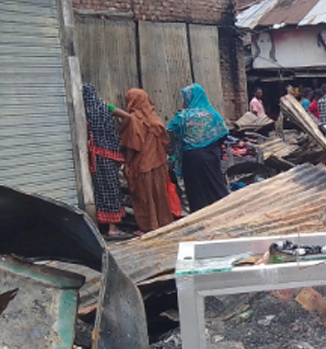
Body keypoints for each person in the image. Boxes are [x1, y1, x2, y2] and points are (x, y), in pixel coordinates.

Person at [167, 84, 230, 212]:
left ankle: (201, 215)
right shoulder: (212, 113)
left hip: (192, 158)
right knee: (215, 184)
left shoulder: (183, 116)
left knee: (196, 190)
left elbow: (170, 131)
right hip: (212, 155)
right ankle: (223, 210)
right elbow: (223, 133)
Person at [118, 88, 174, 232]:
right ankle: (163, 223)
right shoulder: (154, 118)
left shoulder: (134, 120)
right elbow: (165, 141)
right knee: (160, 195)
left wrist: (127, 164)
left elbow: (132, 145)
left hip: (142, 165)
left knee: (144, 197)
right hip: (158, 164)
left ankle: (148, 226)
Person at [83, 84, 128, 238]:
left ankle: (106, 226)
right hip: (111, 153)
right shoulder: (104, 106)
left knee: (101, 190)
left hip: (95, 156)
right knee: (112, 188)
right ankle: (113, 228)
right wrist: (118, 133)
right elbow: (127, 116)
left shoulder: (83, 111)